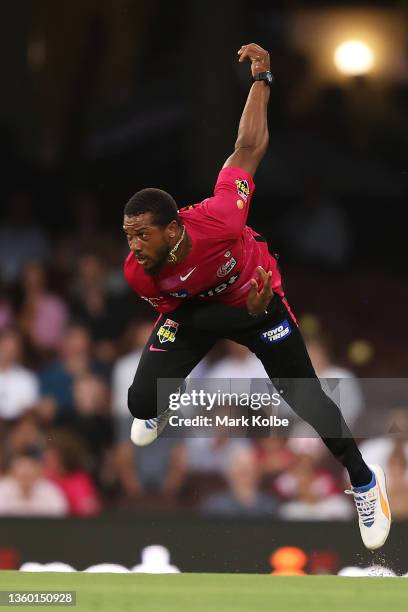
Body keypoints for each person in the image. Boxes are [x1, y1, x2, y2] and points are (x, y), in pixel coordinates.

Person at [121, 43, 390, 550]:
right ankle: (158, 406)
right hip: (196, 313)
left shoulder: (219, 219)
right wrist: (180, 347)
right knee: (139, 403)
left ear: (173, 228)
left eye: (141, 235)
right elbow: (173, 315)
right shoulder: (139, 271)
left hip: (256, 304)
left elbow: (247, 148)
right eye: (128, 234)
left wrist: (262, 80)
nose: (133, 246)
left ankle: (364, 482)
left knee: (305, 396)